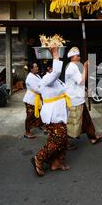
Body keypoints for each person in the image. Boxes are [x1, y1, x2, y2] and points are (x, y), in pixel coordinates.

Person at [31, 46, 71, 176]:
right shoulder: (47, 79)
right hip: (53, 115)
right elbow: (56, 73)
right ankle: (39, 158)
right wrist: (55, 54)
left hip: (60, 113)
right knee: (58, 140)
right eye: (54, 65)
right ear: (49, 68)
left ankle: (56, 163)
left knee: (62, 140)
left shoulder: (56, 80)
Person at [65, 47, 102, 145]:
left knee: (86, 119)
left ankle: (93, 137)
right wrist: (85, 67)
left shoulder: (73, 66)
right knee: (72, 123)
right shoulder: (72, 67)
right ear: (73, 57)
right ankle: (65, 142)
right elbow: (82, 81)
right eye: (78, 56)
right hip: (74, 100)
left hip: (78, 98)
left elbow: (79, 82)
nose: (79, 57)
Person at [23, 62, 43, 139]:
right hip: (30, 99)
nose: (37, 68)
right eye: (35, 67)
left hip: (37, 98)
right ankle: (27, 132)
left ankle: (38, 125)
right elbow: (36, 89)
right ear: (31, 69)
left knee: (38, 113)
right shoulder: (30, 78)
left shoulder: (37, 75)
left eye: (37, 66)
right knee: (30, 116)